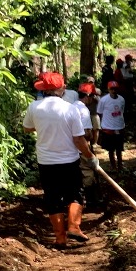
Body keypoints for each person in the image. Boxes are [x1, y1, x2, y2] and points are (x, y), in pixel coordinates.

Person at [22, 71, 100, 247]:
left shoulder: (34, 107)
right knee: (75, 194)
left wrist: (44, 126)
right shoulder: (70, 109)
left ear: (44, 89)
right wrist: (90, 156)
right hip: (69, 161)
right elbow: (78, 139)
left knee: (53, 198)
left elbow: (27, 128)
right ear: (62, 89)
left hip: (46, 162)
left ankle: (60, 238)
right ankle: (73, 226)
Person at [98, 80, 127, 168]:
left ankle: (120, 164)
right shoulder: (104, 100)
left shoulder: (121, 99)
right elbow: (99, 112)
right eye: (112, 89)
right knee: (110, 149)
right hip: (108, 127)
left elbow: (122, 111)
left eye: (115, 89)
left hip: (119, 126)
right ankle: (113, 165)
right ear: (108, 89)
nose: (114, 91)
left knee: (119, 148)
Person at [79, 82, 100, 149]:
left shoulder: (73, 106)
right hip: (81, 148)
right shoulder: (84, 110)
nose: (92, 98)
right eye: (92, 96)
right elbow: (86, 134)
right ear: (87, 96)